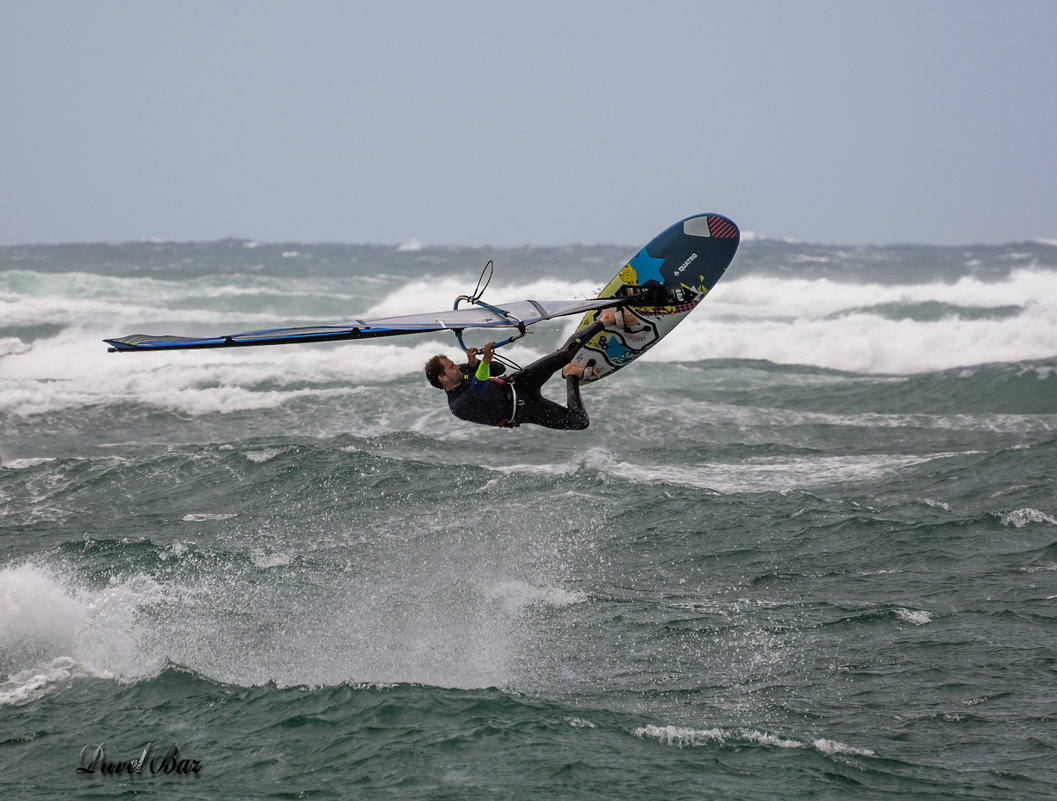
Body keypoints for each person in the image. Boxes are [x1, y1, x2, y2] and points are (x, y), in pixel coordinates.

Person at [424, 308, 619, 430]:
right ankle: (572, 375)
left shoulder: (465, 370)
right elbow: (479, 388)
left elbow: (499, 369)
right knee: (580, 422)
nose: (456, 366)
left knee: (563, 355)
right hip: (526, 411)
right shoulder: (458, 406)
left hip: (520, 382)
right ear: (442, 378)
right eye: (451, 366)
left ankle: (603, 321)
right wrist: (481, 366)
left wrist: (476, 365)